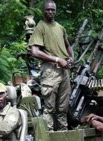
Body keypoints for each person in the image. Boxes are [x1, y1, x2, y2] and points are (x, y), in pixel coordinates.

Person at [28, 0, 74, 131]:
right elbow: (35, 51)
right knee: (49, 108)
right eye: (48, 9)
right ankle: (48, 135)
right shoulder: (40, 27)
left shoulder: (60, 28)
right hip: (50, 70)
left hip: (64, 71)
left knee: (63, 108)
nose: (50, 12)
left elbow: (68, 46)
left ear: (55, 11)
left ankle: (63, 135)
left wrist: (71, 58)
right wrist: (57, 59)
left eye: (52, 10)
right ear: (44, 11)